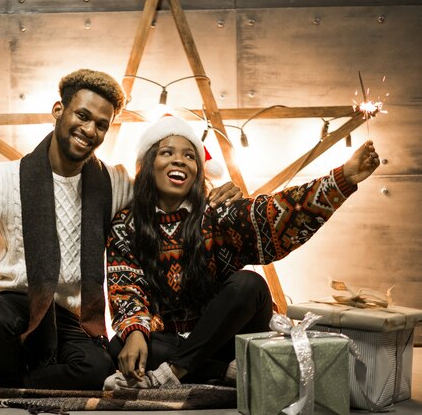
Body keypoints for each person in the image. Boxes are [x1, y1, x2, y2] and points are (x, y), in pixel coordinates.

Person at [0, 69, 242, 391]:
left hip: (73, 320)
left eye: (101, 124)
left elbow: (163, 192)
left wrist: (213, 195)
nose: (89, 129)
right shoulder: (5, 179)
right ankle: (36, 375)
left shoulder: (114, 184)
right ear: (58, 111)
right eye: (82, 115)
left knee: (97, 369)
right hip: (18, 305)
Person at [103, 115, 380, 390]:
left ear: (198, 170)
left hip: (227, 338)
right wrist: (135, 331)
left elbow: (277, 214)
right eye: (167, 152)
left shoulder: (216, 211)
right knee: (121, 344)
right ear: (148, 164)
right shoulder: (126, 225)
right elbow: (126, 287)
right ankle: (228, 373)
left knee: (250, 283)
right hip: (172, 340)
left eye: (189, 156)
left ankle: (177, 371)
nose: (179, 160)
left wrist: (341, 180)